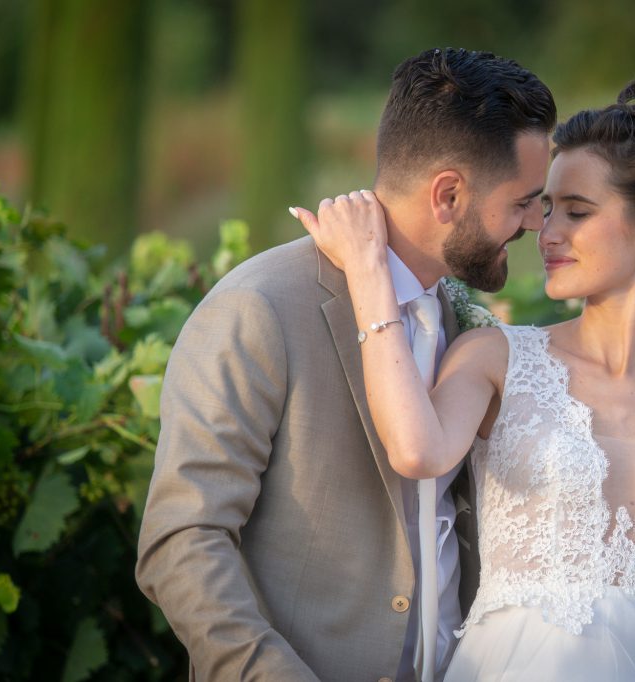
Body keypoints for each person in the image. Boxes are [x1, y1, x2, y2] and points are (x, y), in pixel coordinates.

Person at [294, 71, 635, 681]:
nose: (547, 231)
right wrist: (367, 270)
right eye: (545, 209)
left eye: (577, 211)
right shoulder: (496, 359)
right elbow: (416, 450)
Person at [135, 47, 557, 682]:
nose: (535, 223)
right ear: (448, 194)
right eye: (524, 201)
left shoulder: (463, 323)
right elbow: (183, 540)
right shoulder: (259, 309)